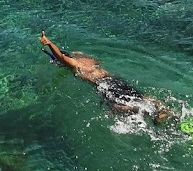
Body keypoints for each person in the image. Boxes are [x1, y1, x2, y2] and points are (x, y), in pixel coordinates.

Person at [40, 31, 172, 125]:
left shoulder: (73, 64)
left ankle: (144, 111)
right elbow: (97, 62)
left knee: (115, 107)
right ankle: (163, 109)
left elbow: (61, 57)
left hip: (103, 85)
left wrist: (50, 44)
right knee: (139, 96)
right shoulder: (86, 60)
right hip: (114, 79)